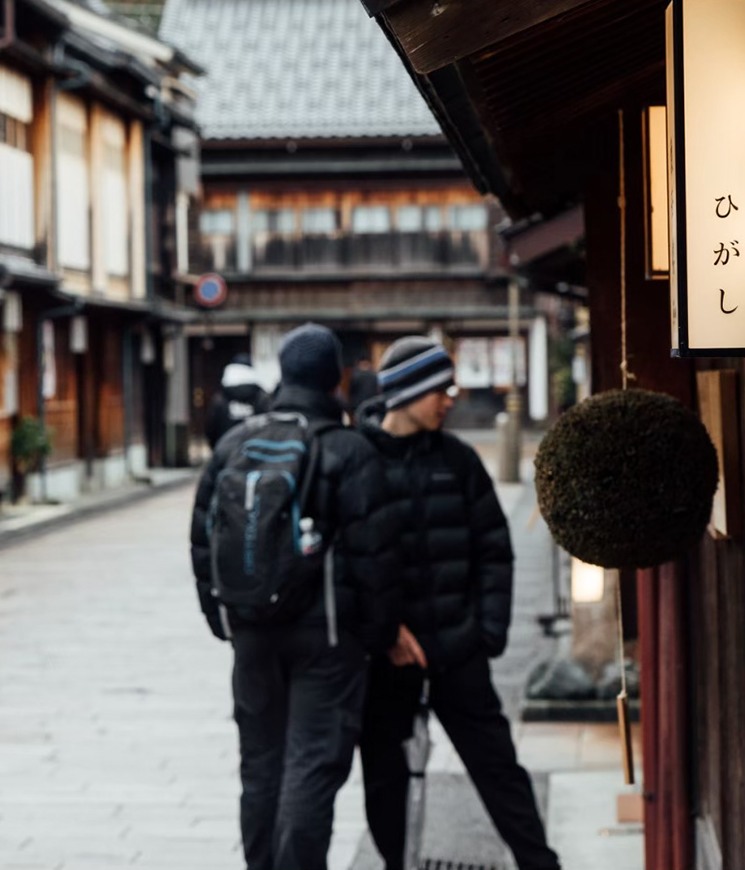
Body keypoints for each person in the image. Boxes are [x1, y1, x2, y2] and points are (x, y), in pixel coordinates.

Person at [190, 323, 403, 870]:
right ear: (335, 378)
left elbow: (203, 536)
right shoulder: (347, 448)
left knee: (260, 769)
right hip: (325, 640)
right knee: (311, 768)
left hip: (252, 633)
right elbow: (375, 555)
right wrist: (376, 636)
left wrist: (223, 618)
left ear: (282, 374)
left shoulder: (235, 444)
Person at [358, 336, 561, 870]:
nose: (449, 399)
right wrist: (381, 636)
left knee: (498, 767)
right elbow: (344, 563)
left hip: (457, 648)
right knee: (384, 775)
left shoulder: (459, 460)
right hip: (389, 659)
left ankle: (541, 863)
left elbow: (495, 550)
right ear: (406, 393)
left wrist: (485, 632)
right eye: (439, 390)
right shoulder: (358, 461)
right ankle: (396, 863)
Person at [207, 355, 272, 444]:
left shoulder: (220, 399)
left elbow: (211, 429)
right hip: (257, 451)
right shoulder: (262, 398)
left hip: (226, 451)